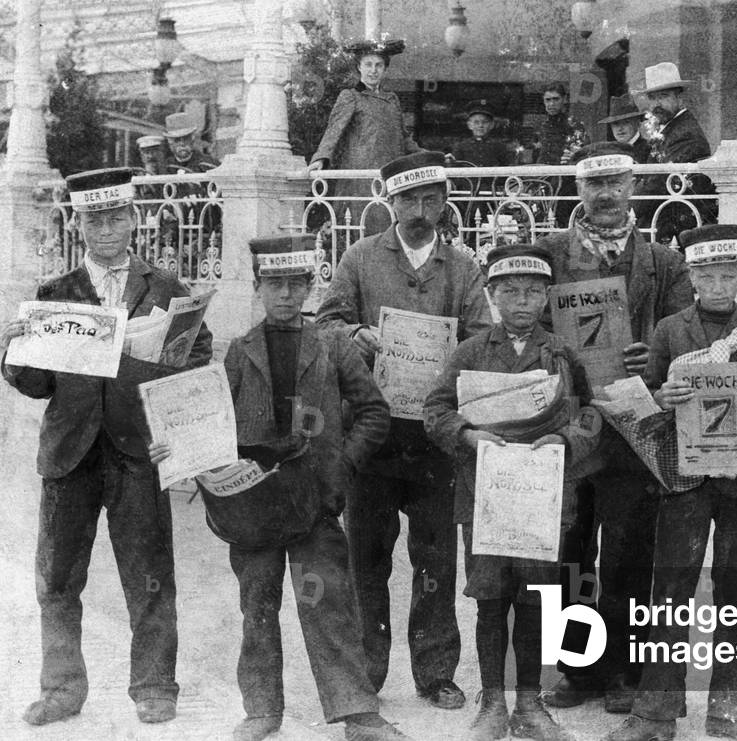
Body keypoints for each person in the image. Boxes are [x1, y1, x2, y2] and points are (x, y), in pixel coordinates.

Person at [147, 235, 408, 741]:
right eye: (274, 284)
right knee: (257, 609)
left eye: (295, 284)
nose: (285, 294)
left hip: (315, 504)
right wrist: (176, 449)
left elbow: (374, 412)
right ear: (258, 287)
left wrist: (342, 465)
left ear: (310, 287)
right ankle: (262, 711)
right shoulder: (239, 352)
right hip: (254, 509)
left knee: (328, 604)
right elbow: (210, 423)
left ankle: (358, 713)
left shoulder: (332, 345)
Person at [0, 167, 213, 727]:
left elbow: (196, 359)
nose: (106, 229)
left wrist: (175, 416)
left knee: (150, 574)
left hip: (137, 450)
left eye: (115, 217)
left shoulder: (165, 288)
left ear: (133, 219)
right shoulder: (55, 293)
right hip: (69, 453)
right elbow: (37, 384)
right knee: (57, 578)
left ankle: (154, 687)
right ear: (79, 223)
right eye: (94, 219)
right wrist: (13, 355)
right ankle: (61, 689)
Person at [603, 224, 737, 741]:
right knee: (670, 591)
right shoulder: (670, 331)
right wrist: (660, 399)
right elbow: (648, 401)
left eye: (726, 275)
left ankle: (730, 711)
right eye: (706, 275)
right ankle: (655, 713)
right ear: (691, 276)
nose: (716, 285)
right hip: (684, 482)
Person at [315, 151, 492, 710]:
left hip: (435, 437)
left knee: (436, 556)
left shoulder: (461, 267)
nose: (419, 210)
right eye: (408, 199)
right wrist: (356, 335)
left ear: (444, 204)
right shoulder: (360, 257)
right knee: (365, 556)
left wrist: (453, 353)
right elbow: (325, 323)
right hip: (373, 429)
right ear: (390, 202)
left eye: (430, 199)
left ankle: (436, 672)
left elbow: (482, 337)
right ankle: (365, 671)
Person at [537, 144, 694, 715]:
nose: (605, 194)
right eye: (594, 184)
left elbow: (680, 334)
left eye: (616, 182)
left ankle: (626, 671)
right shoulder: (550, 254)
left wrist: (650, 354)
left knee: (628, 552)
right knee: (569, 551)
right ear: (579, 189)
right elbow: (528, 325)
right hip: (571, 421)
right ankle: (578, 670)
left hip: (635, 426)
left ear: (632, 186)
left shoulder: (662, 261)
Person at [424, 244, 601, 741]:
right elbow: (435, 410)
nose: (522, 301)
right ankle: (492, 704)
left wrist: (565, 440)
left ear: (546, 297)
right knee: (490, 598)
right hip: (486, 495)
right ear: (492, 296)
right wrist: (467, 435)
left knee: (534, 598)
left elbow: (591, 414)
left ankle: (529, 703)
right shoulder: (471, 351)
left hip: (542, 496)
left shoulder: (563, 353)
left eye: (533, 292)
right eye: (510, 292)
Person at [308, 38, 420, 237]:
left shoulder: (392, 100)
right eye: (368, 64)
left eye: (379, 65)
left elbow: (404, 139)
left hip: (389, 176)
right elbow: (334, 131)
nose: (373, 70)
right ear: (359, 67)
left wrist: (429, 156)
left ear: (385, 69)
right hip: (361, 178)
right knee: (364, 231)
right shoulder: (351, 96)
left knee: (391, 231)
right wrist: (320, 158)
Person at [634, 62, 716, 242]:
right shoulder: (670, 129)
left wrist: (626, 204)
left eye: (663, 96)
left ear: (680, 98)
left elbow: (657, 183)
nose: (656, 104)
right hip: (662, 223)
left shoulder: (684, 134)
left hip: (675, 232)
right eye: (652, 98)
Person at [534, 83, 589, 165]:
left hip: (564, 170)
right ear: (543, 101)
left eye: (556, 99)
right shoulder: (541, 126)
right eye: (548, 100)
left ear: (564, 99)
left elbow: (581, 154)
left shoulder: (575, 125)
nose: (551, 104)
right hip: (540, 170)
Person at [450, 100, 511, 167]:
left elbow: (507, 169)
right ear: (469, 125)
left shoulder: (500, 147)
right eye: (476, 122)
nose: (480, 125)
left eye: (485, 122)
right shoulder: (461, 147)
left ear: (492, 125)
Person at [598, 95, 650, 164]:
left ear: (637, 123)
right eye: (616, 123)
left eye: (626, 122)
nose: (620, 128)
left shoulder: (649, 150)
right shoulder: (608, 153)